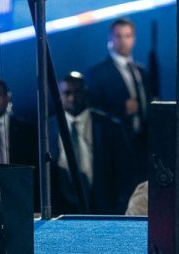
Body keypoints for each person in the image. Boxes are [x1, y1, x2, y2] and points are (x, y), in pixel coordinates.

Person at [50, 72, 133, 215]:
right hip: (59, 211)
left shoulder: (110, 127)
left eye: (77, 92)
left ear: (86, 93)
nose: (72, 98)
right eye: (67, 93)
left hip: (102, 210)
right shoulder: (46, 128)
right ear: (59, 95)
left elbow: (126, 171)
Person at [85, 18, 149, 158]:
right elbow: (92, 110)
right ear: (111, 38)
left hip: (143, 143)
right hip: (115, 148)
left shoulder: (141, 71)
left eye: (127, 36)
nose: (123, 41)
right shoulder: (98, 72)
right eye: (118, 36)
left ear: (133, 39)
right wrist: (121, 109)